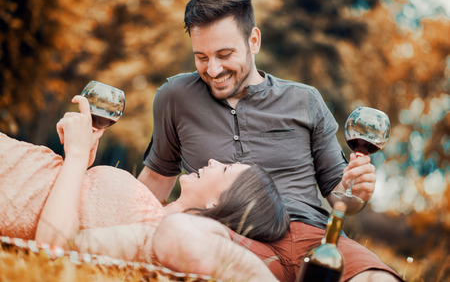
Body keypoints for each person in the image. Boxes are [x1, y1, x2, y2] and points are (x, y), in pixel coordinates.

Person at [138, 0, 403, 282]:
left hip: (313, 238)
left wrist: (358, 191)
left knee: (378, 279)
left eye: (225, 54)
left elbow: (342, 199)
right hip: (230, 240)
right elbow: (155, 182)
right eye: (201, 57)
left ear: (254, 41)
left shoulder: (306, 100)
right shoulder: (175, 97)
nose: (212, 69)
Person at [0, 95, 290, 281]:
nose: (213, 161)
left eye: (225, 169)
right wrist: (78, 162)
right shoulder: (151, 211)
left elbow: (55, 247)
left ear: (219, 203)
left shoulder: (153, 232)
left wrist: (75, 159)